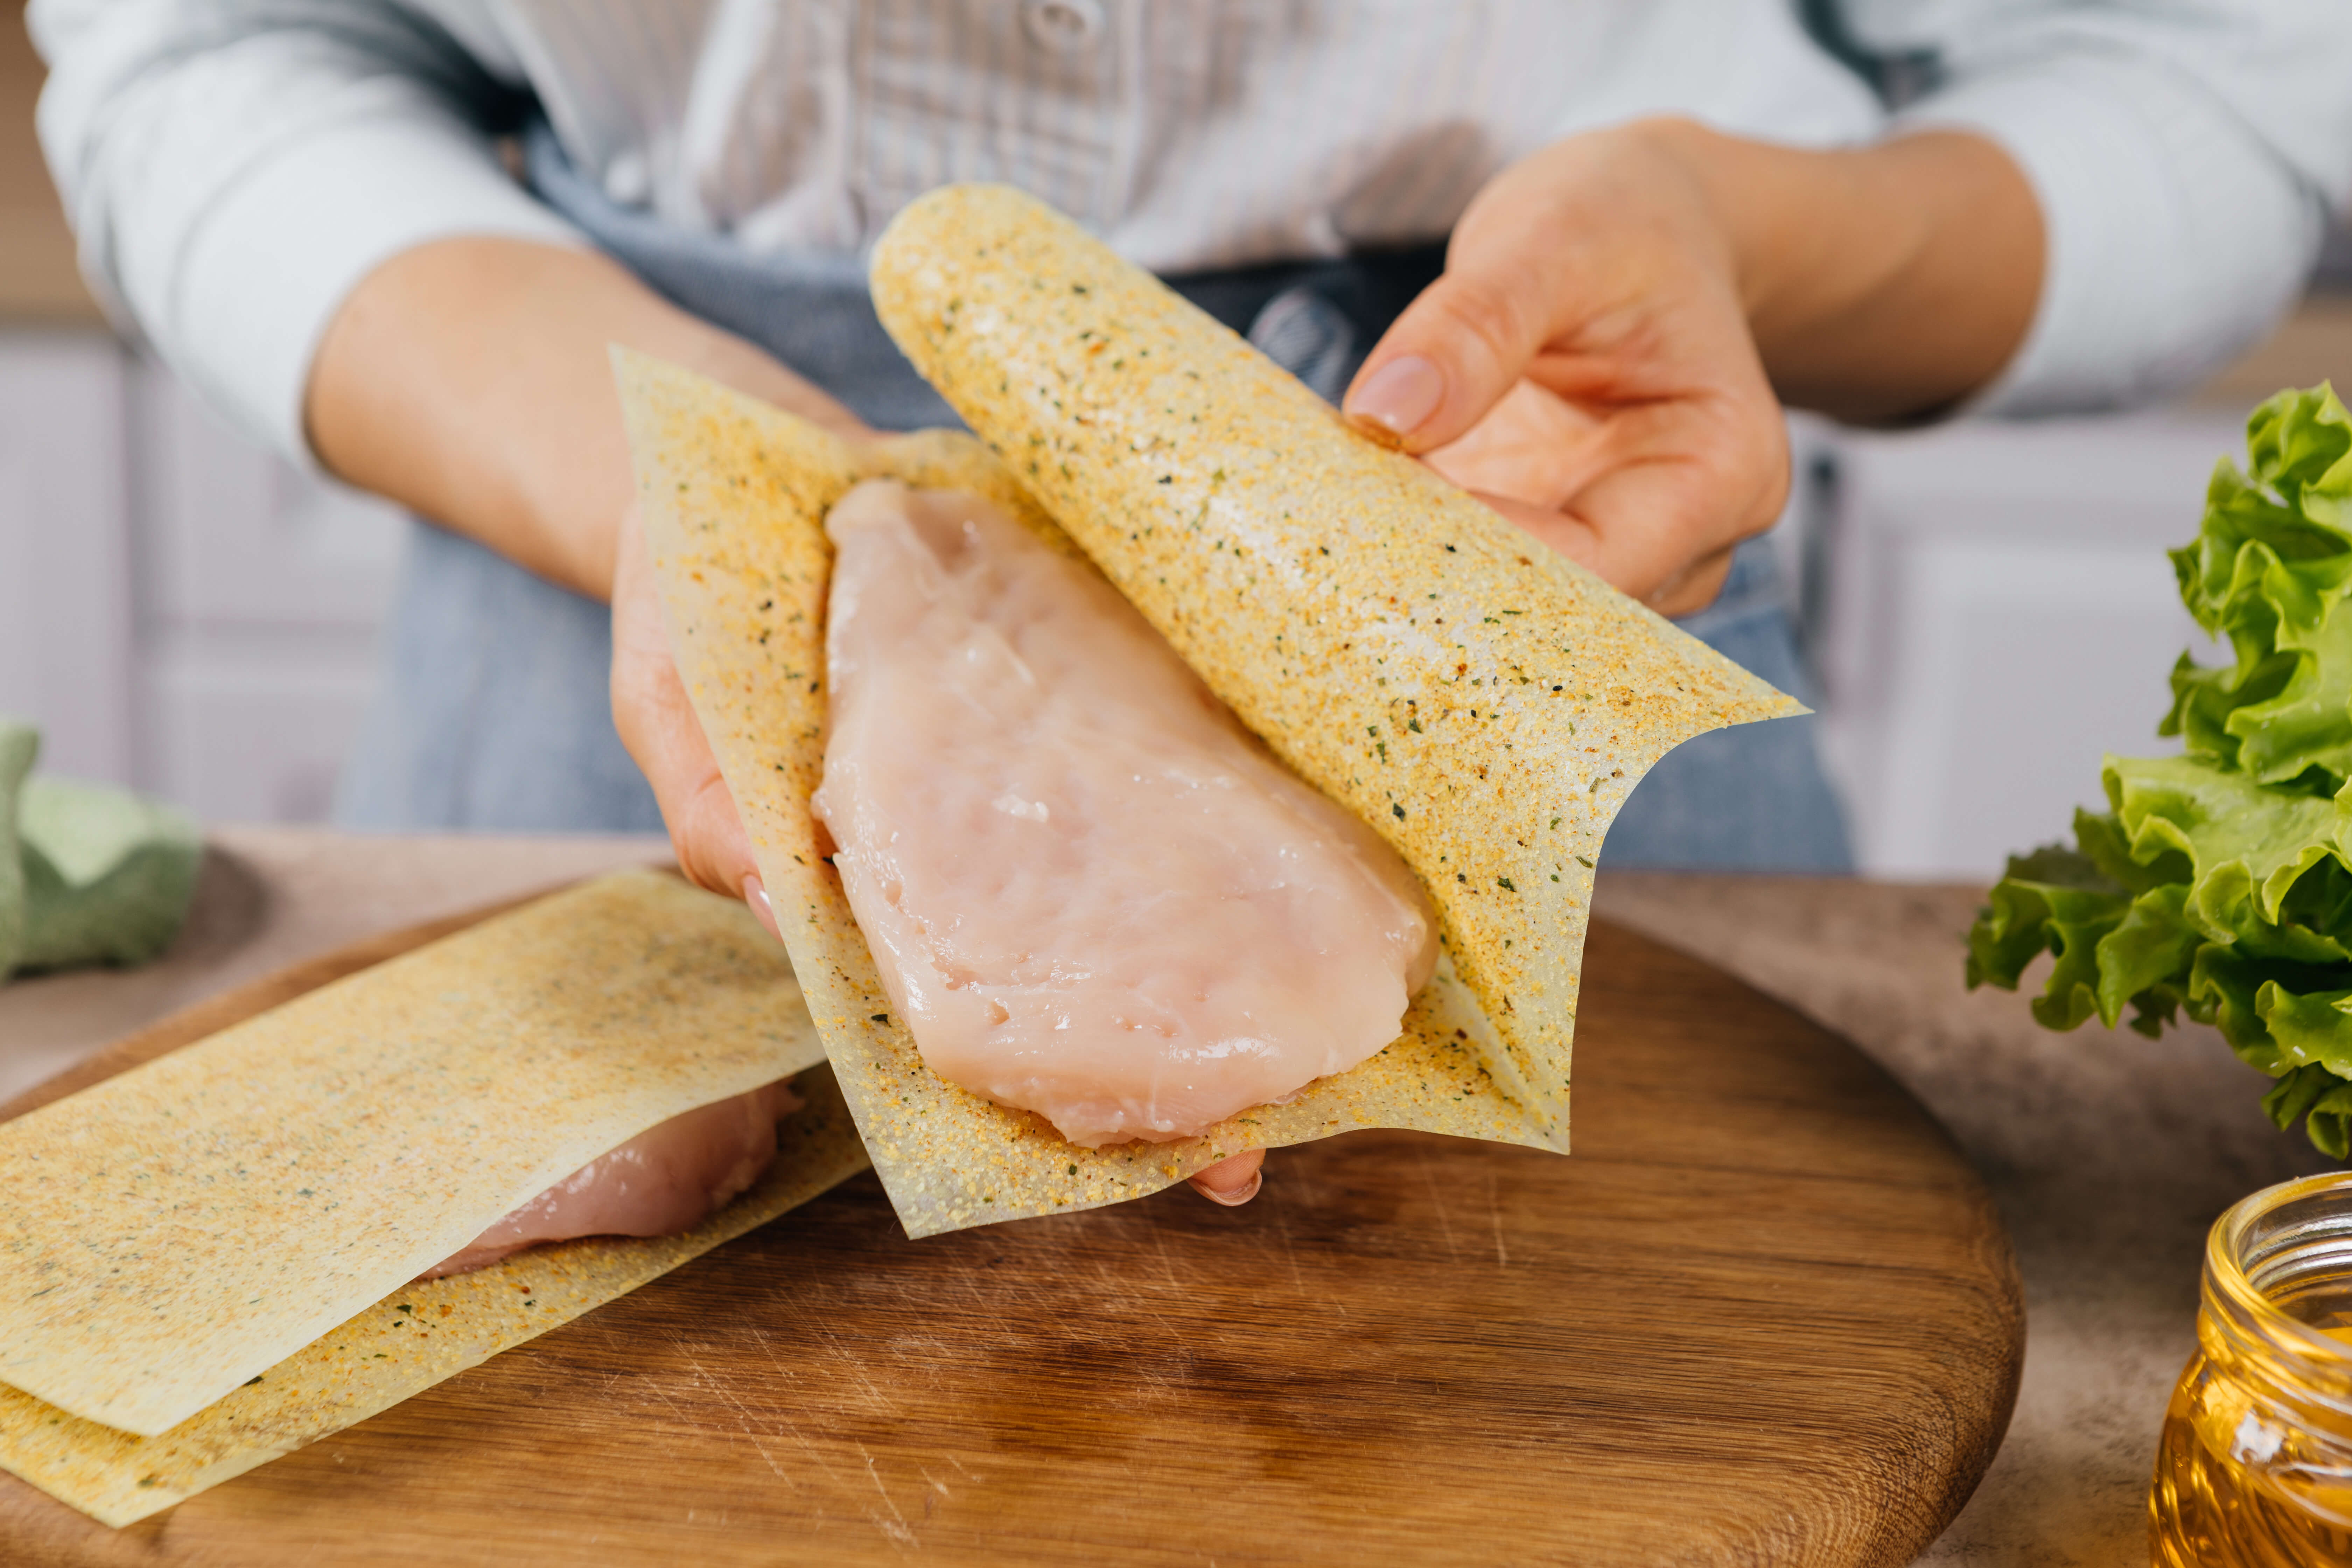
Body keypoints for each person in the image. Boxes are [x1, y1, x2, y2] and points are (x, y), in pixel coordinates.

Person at [31, 0, 2352, 1205]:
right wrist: (695, 493)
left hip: (1523, 508)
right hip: (614, 539)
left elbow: (2229, 84)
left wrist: (1744, 238)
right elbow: (203, 54)